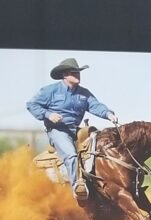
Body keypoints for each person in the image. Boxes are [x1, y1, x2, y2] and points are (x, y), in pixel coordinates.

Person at [26, 57, 117, 201]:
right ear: (64, 75)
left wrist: (108, 114)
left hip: (76, 130)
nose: (77, 75)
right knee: (71, 155)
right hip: (58, 131)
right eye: (73, 73)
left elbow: (95, 105)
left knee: (100, 148)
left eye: (78, 72)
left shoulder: (84, 93)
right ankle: (78, 187)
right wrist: (48, 115)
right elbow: (32, 104)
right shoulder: (50, 91)